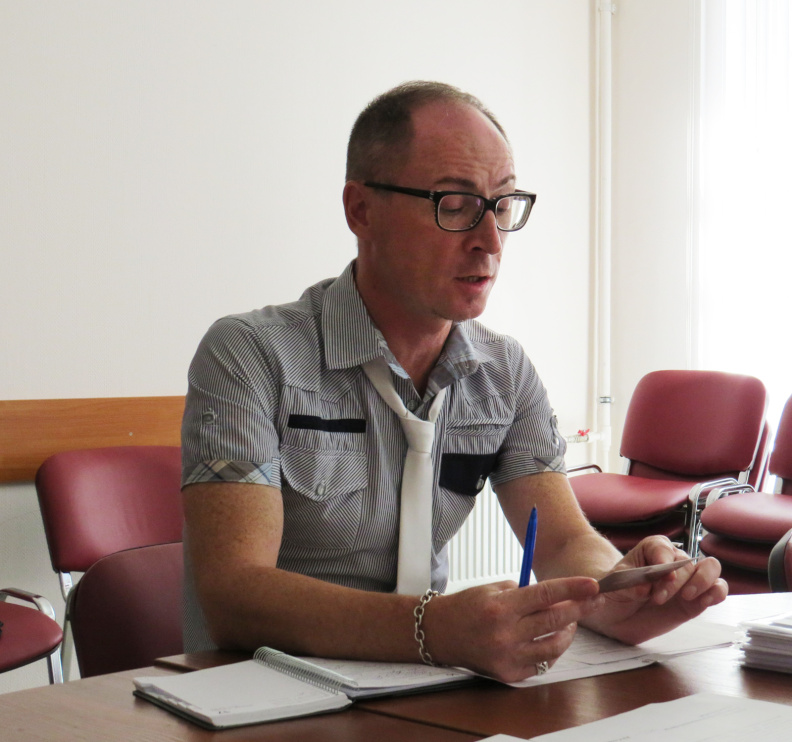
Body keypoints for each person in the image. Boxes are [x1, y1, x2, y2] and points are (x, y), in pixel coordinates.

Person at [181, 80, 727, 683]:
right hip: (267, 693)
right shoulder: (251, 355)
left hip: (430, 693)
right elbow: (233, 593)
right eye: (455, 204)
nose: (490, 241)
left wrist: (620, 586)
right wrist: (433, 629)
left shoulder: (503, 372)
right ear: (361, 210)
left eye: (503, 204)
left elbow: (563, 542)